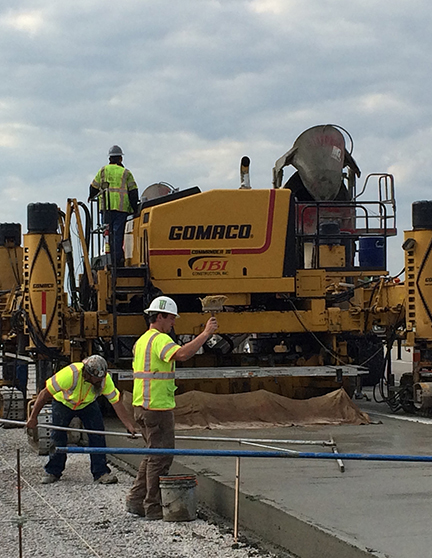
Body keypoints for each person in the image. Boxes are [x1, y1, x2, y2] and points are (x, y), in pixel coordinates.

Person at [126, 295, 218, 519]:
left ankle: (136, 500)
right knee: (161, 457)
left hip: (142, 405)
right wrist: (205, 334)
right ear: (160, 316)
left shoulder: (142, 341)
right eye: (171, 318)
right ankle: (153, 506)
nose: (173, 323)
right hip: (156, 408)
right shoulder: (159, 340)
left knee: (151, 455)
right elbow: (183, 354)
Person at [27, 355, 136, 485]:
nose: (99, 382)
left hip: (87, 404)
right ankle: (53, 471)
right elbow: (44, 394)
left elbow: (116, 402)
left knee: (97, 435)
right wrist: (33, 418)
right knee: (58, 436)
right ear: (87, 374)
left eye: (101, 379)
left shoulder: (104, 380)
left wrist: (129, 425)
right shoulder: (70, 375)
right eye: (96, 379)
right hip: (64, 403)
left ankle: (101, 472)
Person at [89, 145, 139, 266]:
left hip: (106, 208)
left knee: (107, 233)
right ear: (120, 159)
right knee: (118, 234)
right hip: (121, 209)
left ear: (110, 158)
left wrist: (91, 196)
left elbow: (93, 187)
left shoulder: (102, 171)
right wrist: (135, 208)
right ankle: (117, 259)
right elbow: (133, 192)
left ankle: (109, 257)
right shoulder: (126, 173)